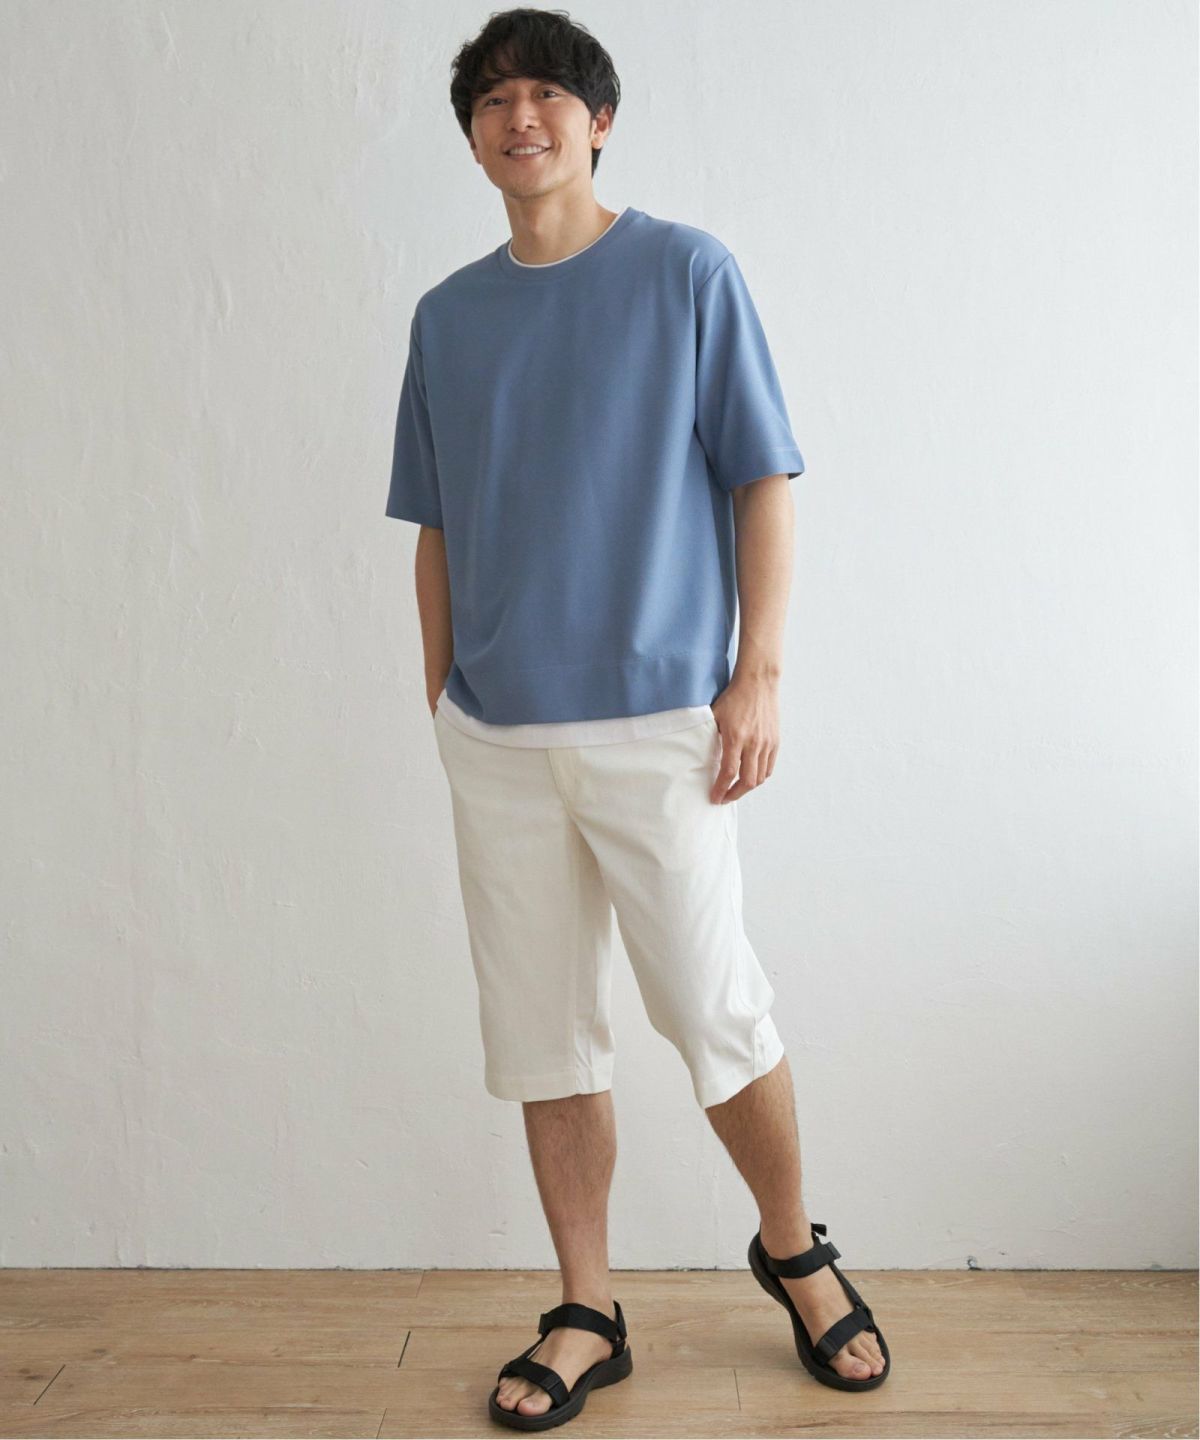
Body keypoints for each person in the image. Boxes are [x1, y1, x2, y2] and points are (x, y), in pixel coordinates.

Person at [385, 8, 891, 1429]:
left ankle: (795, 1253)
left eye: (547, 94)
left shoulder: (686, 273)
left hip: (661, 721)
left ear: (598, 121)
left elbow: (761, 478)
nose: (520, 116)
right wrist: (440, 691)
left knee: (715, 1009)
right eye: (493, 100)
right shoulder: (447, 316)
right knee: (544, 1036)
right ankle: (585, 1308)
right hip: (497, 738)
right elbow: (433, 523)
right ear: (473, 137)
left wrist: (758, 672)